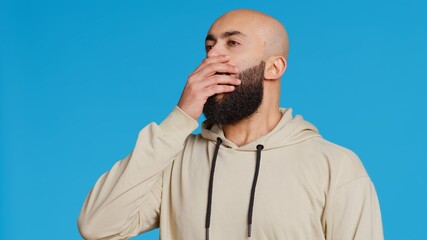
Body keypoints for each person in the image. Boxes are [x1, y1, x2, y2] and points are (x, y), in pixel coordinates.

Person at [78, 9, 383, 240]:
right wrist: (180, 118)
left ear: (274, 67)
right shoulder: (175, 160)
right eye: (209, 46)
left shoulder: (335, 166)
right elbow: (97, 226)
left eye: (232, 43)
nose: (213, 57)